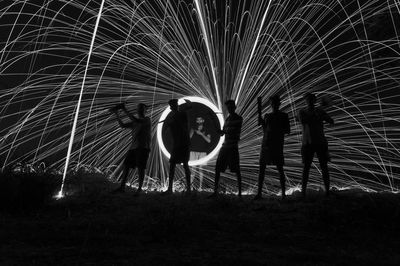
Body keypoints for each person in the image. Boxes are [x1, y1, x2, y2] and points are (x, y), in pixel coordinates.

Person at [254, 95, 290, 200]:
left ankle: (283, 194)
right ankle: (259, 193)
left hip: (276, 145)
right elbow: (263, 127)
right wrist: (259, 108)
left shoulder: (283, 116)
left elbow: (287, 130)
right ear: (271, 104)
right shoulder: (267, 116)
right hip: (266, 145)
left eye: (275, 103)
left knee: (279, 169)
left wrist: (275, 131)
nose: (274, 105)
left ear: (279, 104)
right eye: (272, 103)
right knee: (262, 169)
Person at [298, 93, 334, 197]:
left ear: (314, 101)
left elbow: (331, 121)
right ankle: (303, 192)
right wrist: (319, 112)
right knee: (306, 168)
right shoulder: (302, 112)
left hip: (319, 142)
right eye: (307, 99)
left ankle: (327, 191)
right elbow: (304, 120)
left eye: (311, 99)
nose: (309, 101)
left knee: (323, 167)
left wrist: (323, 114)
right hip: (308, 143)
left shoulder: (319, 111)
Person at [112, 103, 151, 194]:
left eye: (141, 108)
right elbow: (122, 125)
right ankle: (122, 188)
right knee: (126, 166)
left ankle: (139, 189)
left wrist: (124, 109)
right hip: (133, 147)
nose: (139, 110)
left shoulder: (146, 120)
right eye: (138, 108)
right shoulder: (135, 121)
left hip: (143, 147)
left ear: (145, 110)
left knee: (140, 168)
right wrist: (116, 114)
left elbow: (137, 120)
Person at [211, 100, 243, 197]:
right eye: (228, 108)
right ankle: (215, 192)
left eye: (230, 107)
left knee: (236, 169)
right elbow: (222, 133)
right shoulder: (228, 119)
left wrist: (223, 131)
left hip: (232, 147)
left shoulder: (238, 118)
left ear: (234, 107)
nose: (229, 109)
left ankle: (240, 193)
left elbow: (230, 131)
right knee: (217, 169)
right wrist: (213, 121)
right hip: (225, 147)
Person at [164, 99, 192, 193]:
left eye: (174, 105)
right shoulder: (173, 117)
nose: (173, 107)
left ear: (176, 106)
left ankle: (188, 189)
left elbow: (183, 124)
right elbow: (167, 128)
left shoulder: (181, 114)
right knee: (172, 165)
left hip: (183, 143)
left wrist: (172, 120)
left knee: (185, 165)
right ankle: (170, 189)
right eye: (172, 106)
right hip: (177, 144)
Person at [190, 116, 211, 190]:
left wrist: (201, 134)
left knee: (201, 170)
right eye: (197, 120)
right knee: (193, 170)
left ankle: (200, 187)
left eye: (200, 120)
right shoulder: (193, 129)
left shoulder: (207, 129)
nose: (198, 121)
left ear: (203, 120)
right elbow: (189, 138)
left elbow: (209, 140)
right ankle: (190, 187)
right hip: (193, 151)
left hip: (202, 151)